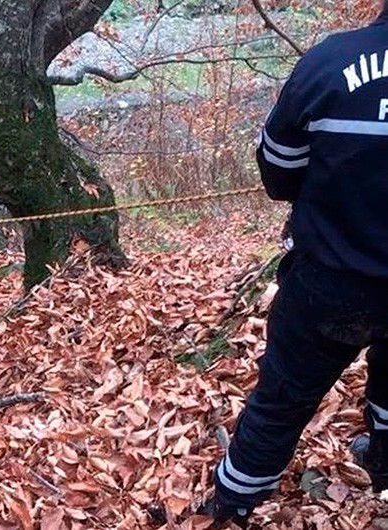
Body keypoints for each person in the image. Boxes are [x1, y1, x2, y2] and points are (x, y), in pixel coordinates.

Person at [205, 7, 388, 528]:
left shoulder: (331, 61)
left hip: (330, 281)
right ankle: (384, 462)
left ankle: (232, 505)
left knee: (283, 398)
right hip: (339, 276)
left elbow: (279, 172)